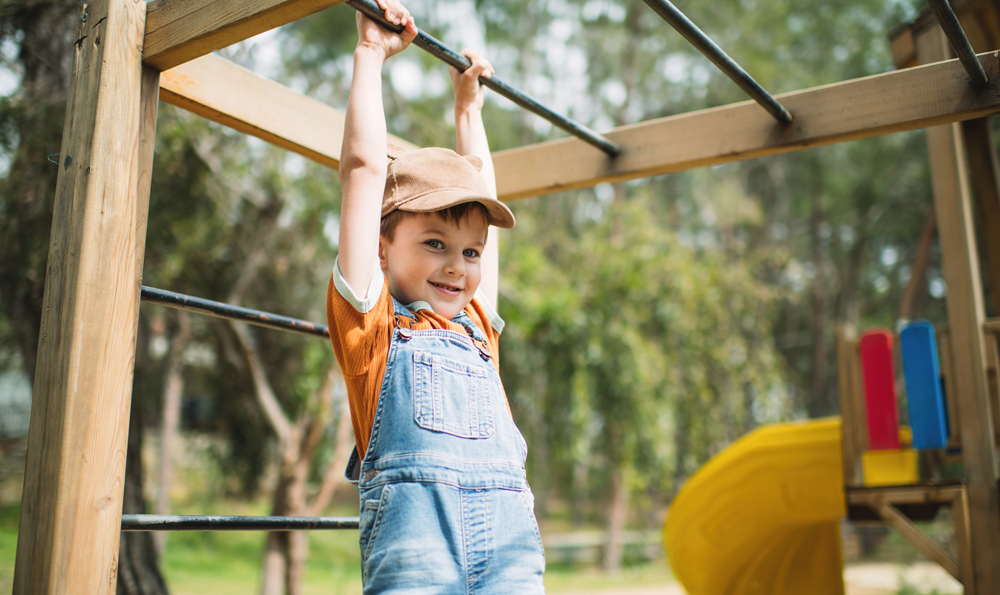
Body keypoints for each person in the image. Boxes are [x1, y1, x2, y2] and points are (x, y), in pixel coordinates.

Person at [325, 1, 546, 592]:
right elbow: (365, 170)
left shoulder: (477, 325)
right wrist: (370, 54)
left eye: (469, 252)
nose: (458, 266)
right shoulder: (370, 328)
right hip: (418, 554)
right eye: (433, 243)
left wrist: (468, 109)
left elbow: (483, 202)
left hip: (510, 553)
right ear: (380, 248)